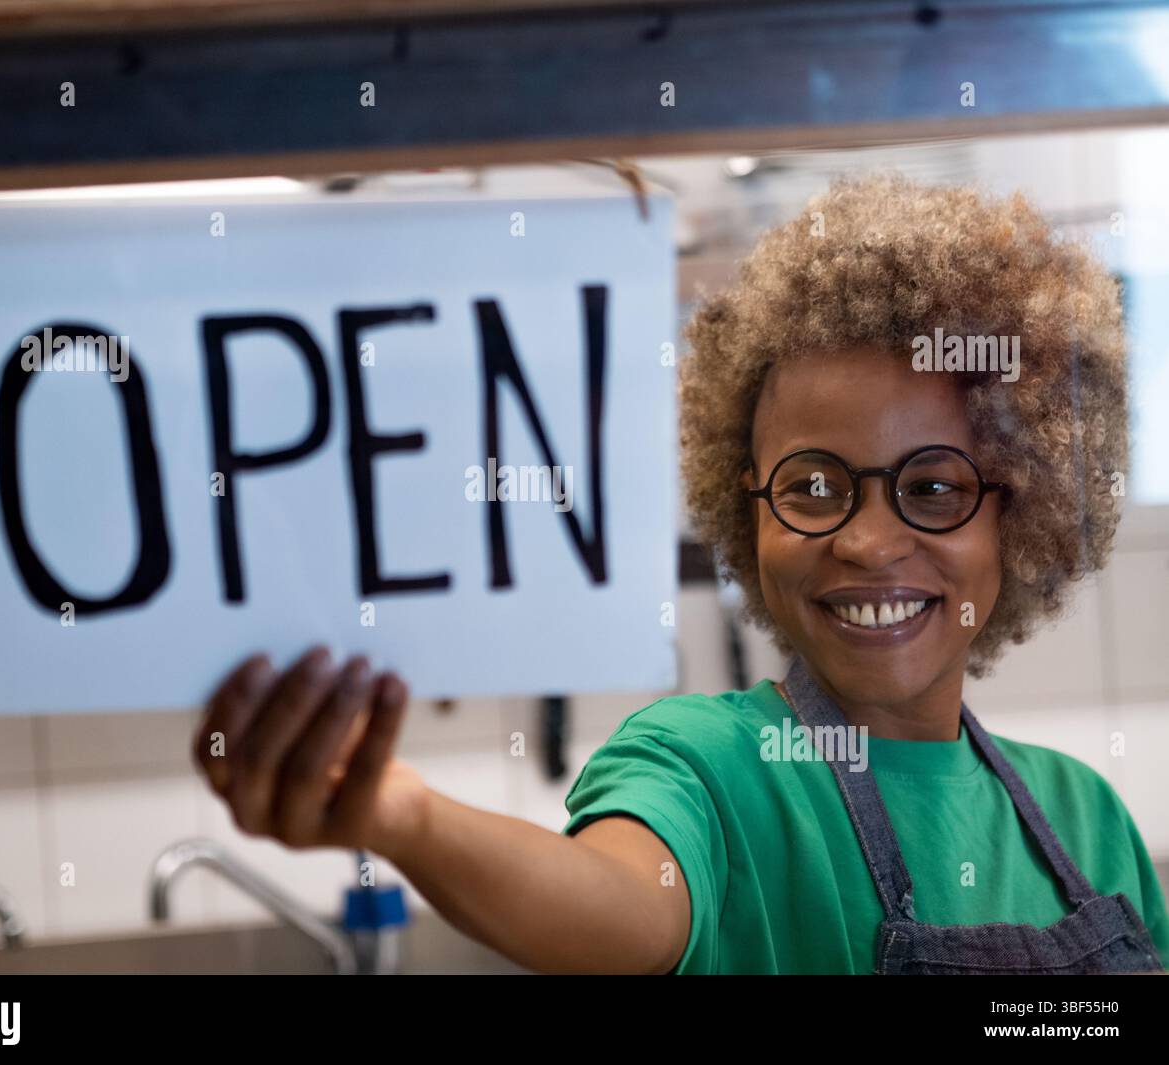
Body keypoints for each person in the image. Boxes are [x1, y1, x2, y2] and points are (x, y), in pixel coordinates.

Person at [191, 172, 1169, 974]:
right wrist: (408, 821)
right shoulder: (702, 764)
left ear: (1022, 509)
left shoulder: (1089, 819)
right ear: (746, 502)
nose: (868, 542)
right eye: (814, 485)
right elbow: (617, 903)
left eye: (934, 487)